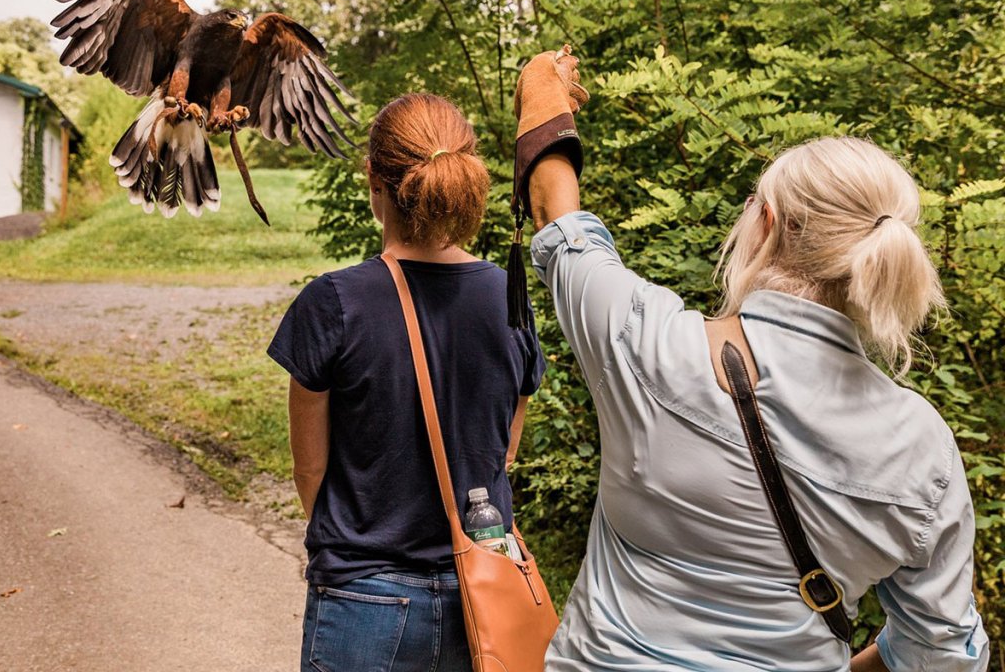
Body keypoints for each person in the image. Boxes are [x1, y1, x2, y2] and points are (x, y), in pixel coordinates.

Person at [510, 48, 989, 671]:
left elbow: (562, 224)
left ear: (766, 223)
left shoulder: (652, 346)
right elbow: (943, 651)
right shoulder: (923, 449)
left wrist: (542, 101)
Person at [267, 93, 545, 672]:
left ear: (373, 176)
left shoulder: (334, 303)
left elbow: (310, 471)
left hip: (363, 597)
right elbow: (505, 449)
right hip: (485, 590)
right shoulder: (506, 295)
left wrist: (357, 537)